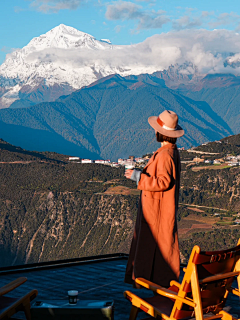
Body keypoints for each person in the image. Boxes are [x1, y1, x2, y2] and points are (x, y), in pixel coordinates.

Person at [124, 110, 184, 288]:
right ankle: (162, 283)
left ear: (161, 133)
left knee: (156, 247)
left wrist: (137, 176)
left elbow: (163, 181)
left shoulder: (165, 154)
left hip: (156, 210)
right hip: (161, 208)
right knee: (163, 247)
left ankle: (154, 283)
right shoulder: (172, 152)